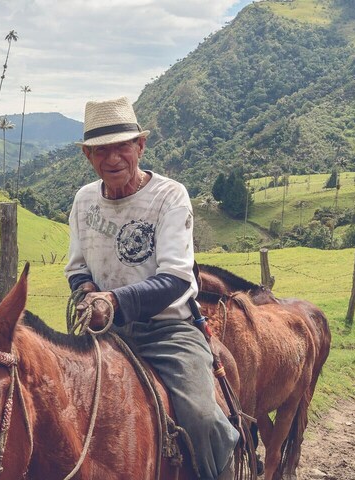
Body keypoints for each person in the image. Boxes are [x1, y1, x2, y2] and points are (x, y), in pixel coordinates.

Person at [65, 97, 238, 479]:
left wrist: (113, 300)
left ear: (140, 146)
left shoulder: (168, 197)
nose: (112, 158)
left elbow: (177, 278)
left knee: (203, 418)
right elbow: (76, 267)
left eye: (121, 147)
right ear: (87, 156)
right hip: (103, 334)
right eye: (100, 150)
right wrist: (89, 291)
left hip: (168, 331)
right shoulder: (83, 201)